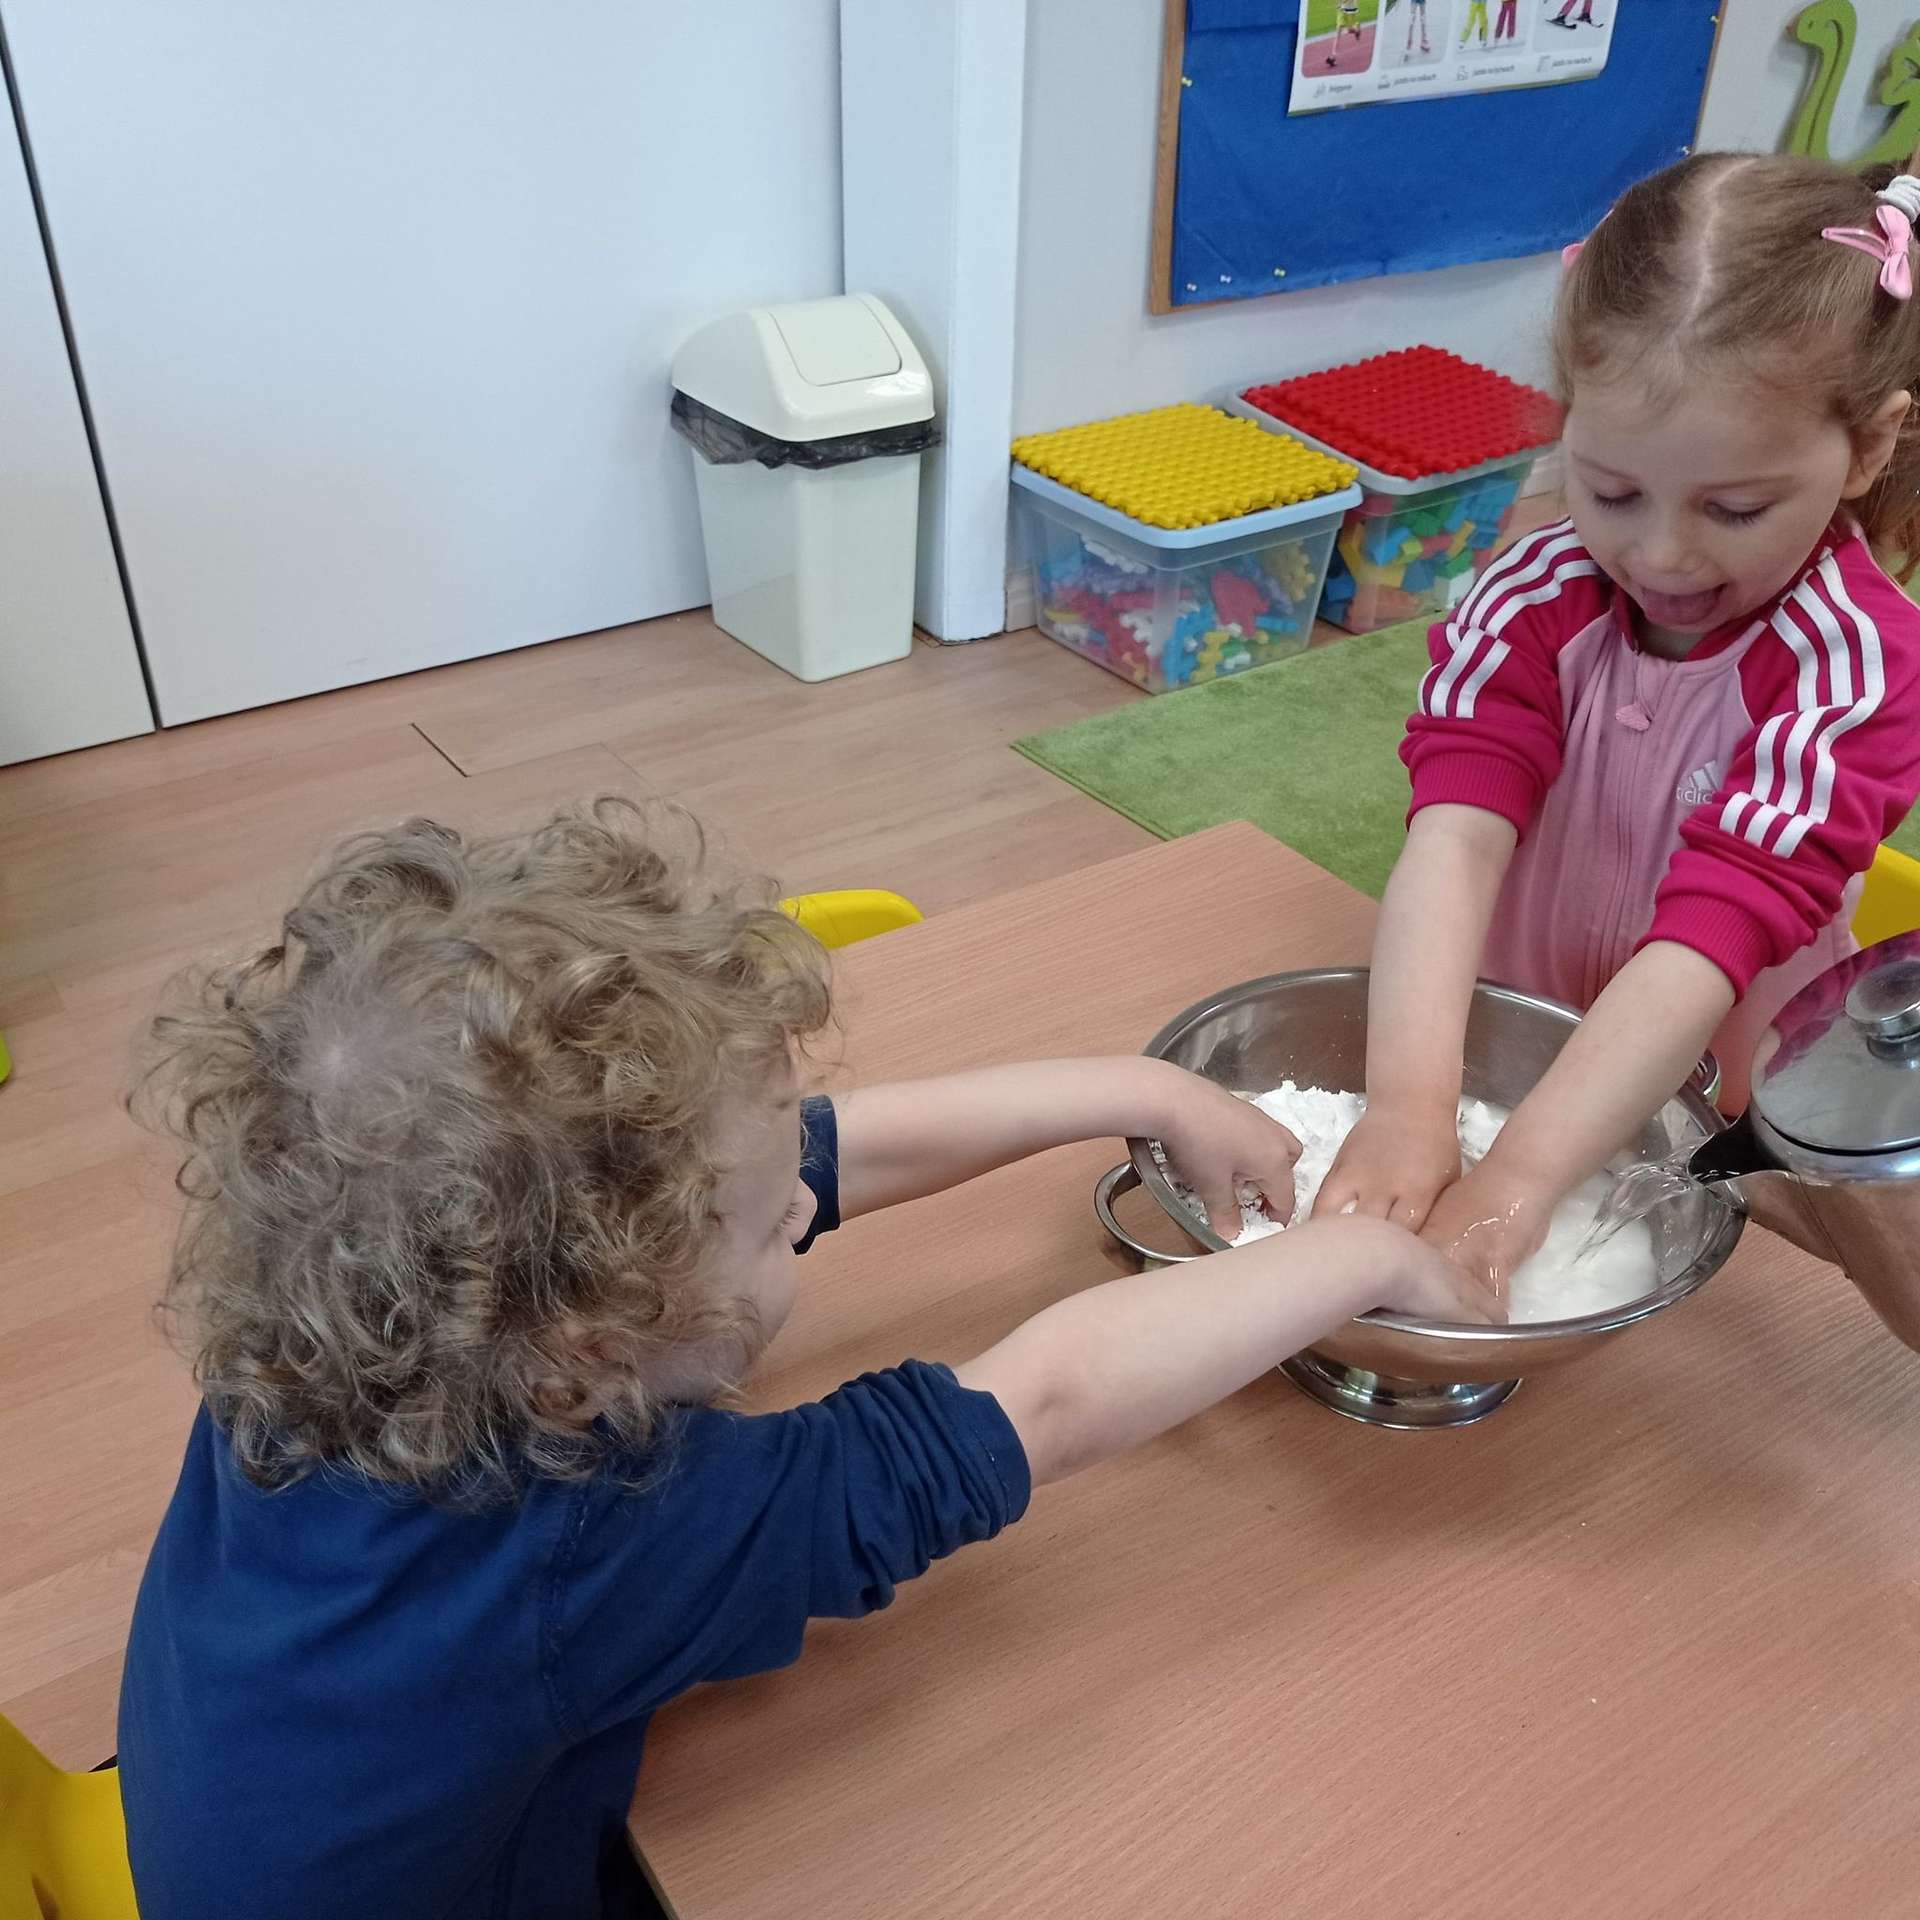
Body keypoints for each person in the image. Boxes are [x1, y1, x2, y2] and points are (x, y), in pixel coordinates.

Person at [115, 799, 1494, 1919]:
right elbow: (1043, 1404)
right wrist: (1360, 1261)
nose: (805, 1206)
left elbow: (818, 1152)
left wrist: (1142, 1090)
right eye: (779, 1223)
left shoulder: (334, 1323)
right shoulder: (581, 1547)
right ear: (589, 1352)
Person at [1316, 152, 1920, 1298]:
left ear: (1871, 449)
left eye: (1733, 508)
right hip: (1499, 1045)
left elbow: (1712, 937)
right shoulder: (1532, 597)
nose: (1661, 555)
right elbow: (1455, 841)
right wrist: (1408, 1108)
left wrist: (1517, 1181)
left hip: (1737, 1107)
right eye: (1611, 490)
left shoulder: (1855, 670)